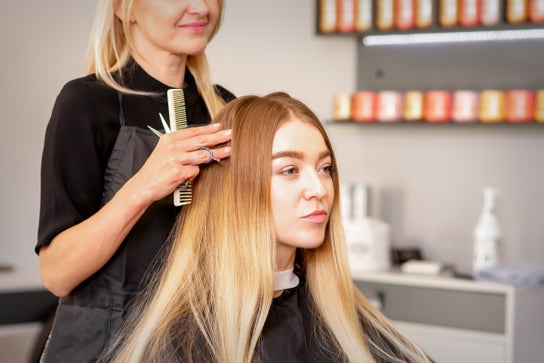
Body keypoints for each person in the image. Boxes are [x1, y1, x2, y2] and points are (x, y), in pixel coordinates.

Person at [103, 92, 432, 363]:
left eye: (325, 167)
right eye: (290, 170)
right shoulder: (181, 343)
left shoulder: (345, 319)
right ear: (235, 188)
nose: (319, 188)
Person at [35, 0, 234, 361]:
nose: (202, 7)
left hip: (197, 343)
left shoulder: (223, 109)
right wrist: (143, 187)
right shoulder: (87, 103)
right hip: (103, 346)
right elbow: (57, 273)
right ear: (124, 8)